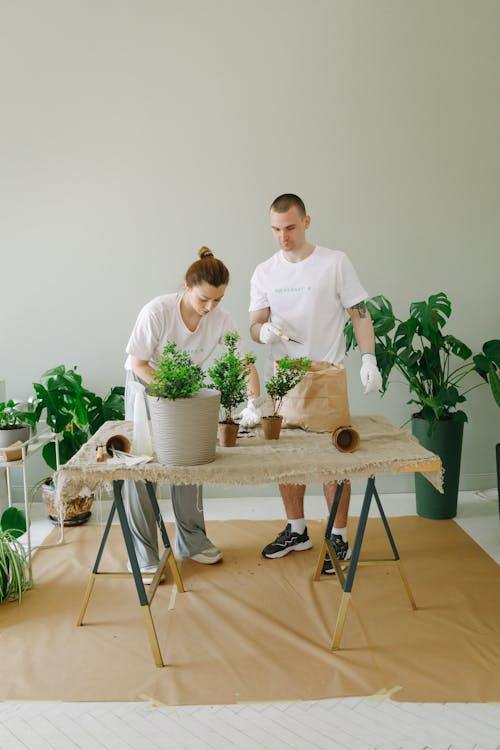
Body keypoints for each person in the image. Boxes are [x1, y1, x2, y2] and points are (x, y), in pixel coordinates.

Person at [248, 194, 382, 573]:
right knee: (287, 459)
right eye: (276, 229)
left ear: (307, 222)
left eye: (290, 228)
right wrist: (263, 332)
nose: (283, 237)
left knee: (334, 459)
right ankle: (297, 529)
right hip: (284, 378)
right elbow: (255, 323)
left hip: (327, 373)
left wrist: (369, 358)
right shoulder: (265, 272)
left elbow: (360, 314)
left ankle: (338, 535)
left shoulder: (334, 263)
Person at [125, 247, 260, 575]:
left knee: (189, 459)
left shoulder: (221, 319)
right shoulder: (157, 312)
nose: (210, 307)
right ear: (187, 288)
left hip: (184, 391)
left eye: (218, 299)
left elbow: (244, 363)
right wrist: (174, 391)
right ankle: (144, 553)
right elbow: (137, 363)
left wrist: (256, 402)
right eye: (203, 300)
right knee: (143, 467)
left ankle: (192, 540)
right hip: (148, 387)